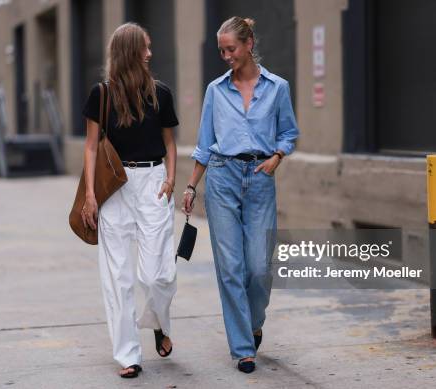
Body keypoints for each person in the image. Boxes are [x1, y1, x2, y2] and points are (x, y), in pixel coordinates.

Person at [182, 16, 299, 374]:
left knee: (260, 266)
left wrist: (277, 158)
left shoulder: (277, 87)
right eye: (221, 50)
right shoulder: (215, 91)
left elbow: (289, 133)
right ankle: (243, 348)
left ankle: (252, 322)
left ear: (248, 45)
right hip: (221, 176)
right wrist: (190, 185)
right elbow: (204, 144)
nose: (226, 56)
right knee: (231, 267)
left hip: (261, 177)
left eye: (230, 49)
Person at [81, 22, 179, 379]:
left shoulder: (161, 93)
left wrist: (170, 178)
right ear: (128, 52)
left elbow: (170, 142)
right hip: (114, 187)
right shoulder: (101, 94)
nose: (150, 54)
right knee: (117, 277)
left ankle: (158, 321)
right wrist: (91, 195)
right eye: (144, 48)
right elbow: (91, 146)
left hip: (153, 182)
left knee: (158, 274)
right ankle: (128, 355)